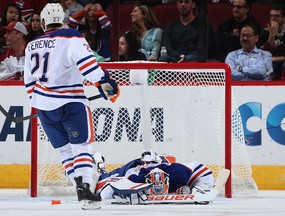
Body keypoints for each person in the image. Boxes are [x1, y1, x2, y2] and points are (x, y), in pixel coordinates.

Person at [23, 3, 119, 210]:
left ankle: (77, 183)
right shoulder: (72, 37)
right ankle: (84, 186)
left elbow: (29, 82)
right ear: (64, 21)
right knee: (81, 146)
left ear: (42, 23)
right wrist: (106, 83)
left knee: (65, 150)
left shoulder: (31, 45)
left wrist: (40, 101)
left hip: (44, 108)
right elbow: (88, 67)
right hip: (71, 104)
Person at [94, 150, 214, 203]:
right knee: (95, 188)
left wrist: (200, 187)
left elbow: (204, 172)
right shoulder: (135, 177)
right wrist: (124, 193)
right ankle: (100, 168)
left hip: (156, 164)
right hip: (134, 167)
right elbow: (105, 193)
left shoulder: (178, 173)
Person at [259, 4, 285, 80]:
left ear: (284, 18)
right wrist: (272, 35)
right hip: (272, 62)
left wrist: (275, 59)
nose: (272, 18)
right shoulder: (266, 31)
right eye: (271, 16)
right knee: (266, 65)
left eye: (276, 16)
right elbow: (262, 54)